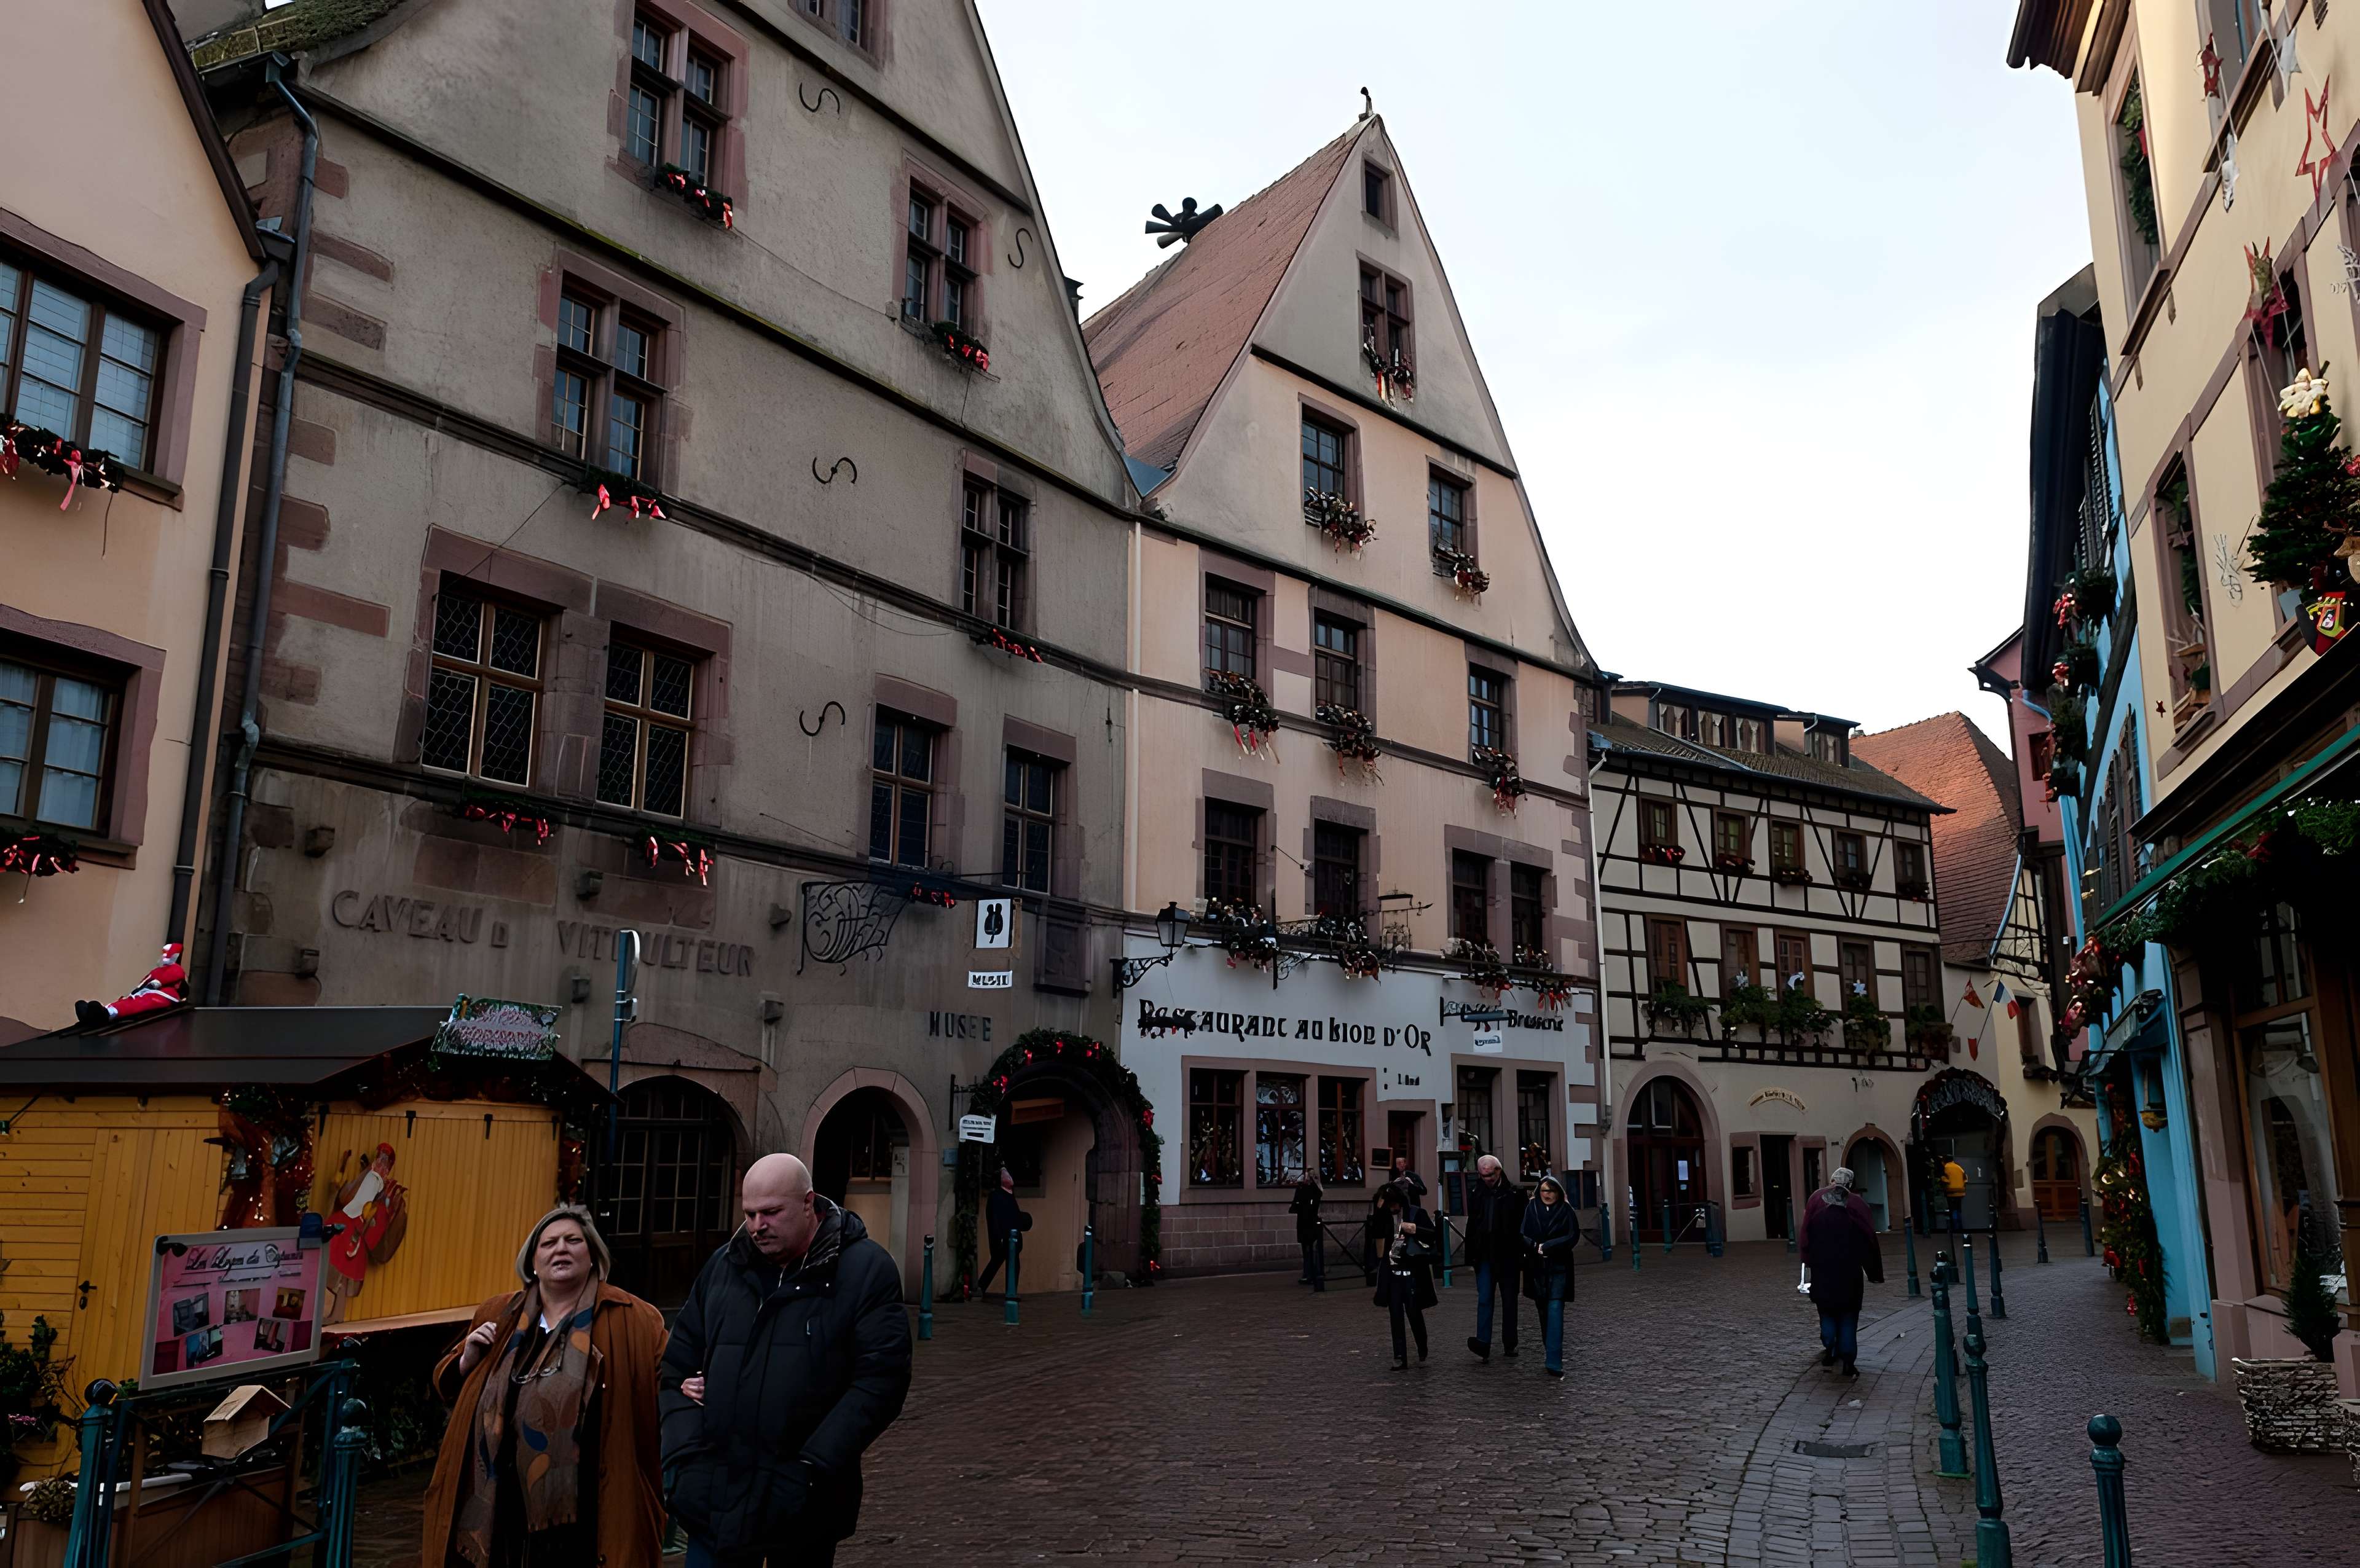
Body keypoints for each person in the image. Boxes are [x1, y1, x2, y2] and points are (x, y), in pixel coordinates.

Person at [661, 1153, 912, 1567]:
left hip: (803, 1500)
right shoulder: (724, 1266)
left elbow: (881, 1381)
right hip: (714, 1494)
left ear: (808, 1204)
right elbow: (677, 1367)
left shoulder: (864, 1270)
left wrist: (813, 1468)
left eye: (772, 1213)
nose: (758, 1226)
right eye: (750, 1214)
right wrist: (685, 1459)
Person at [419, 1205, 667, 1567]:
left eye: (573, 1241)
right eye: (549, 1243)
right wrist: (467, 1360)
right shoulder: (499, 1314)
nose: (560, 1249)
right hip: (501, 1508)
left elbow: (667, 1383)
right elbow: (449, 1386)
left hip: (588, 1510)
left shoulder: (633, 1319)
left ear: (593, 1255)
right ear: (533, 1261)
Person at [1800, 1167, 1884, 1376]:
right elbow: (1869, 1239)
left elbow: (1805, 1235)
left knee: (1827, 1311)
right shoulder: (1858, 1204)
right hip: (1849, 1270)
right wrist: (1873, 1271)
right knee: (1848, 1315)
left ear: (1831, 1181)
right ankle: (1848, 1360)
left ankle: (1830, 1348)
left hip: (1822, 1268)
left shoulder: (1815, 1199)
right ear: (1851, 1184)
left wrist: (1808, 1260)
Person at [1461, 1154, 1526, 1363]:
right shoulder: (1477, 1192)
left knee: (1509, 1302)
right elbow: (1472, 1225)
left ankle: (1510, 1344)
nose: (1486, 1179)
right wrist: (1471, 1256)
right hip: (1485, 1256)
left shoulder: (1514, 1194)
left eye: (1489, 1175)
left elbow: (1522, 1227)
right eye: (1482, 1175)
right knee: (1485, 1299)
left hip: (1508, 1257)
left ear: (1498, 1171)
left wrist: (1522, 1255)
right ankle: (1483, 1343)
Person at [1371, 1180, 1437, 1370]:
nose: (1392, 1209)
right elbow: (1375, 1233)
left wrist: (1413, 1230)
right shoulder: (1384, 1216)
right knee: (1395, 1315)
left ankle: (1422, 1345)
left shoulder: (1416, 1213)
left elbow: (1432, 1236)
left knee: (1413, 1312)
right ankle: (1399, 1356)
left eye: (1393, 1205)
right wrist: (1378, 1209)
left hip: (1412, 1272)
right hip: (1392, 1272)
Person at [1520, 1172, 1576, 1379]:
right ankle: (1550, 1350)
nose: (1547, 1194)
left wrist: (1550, 1247)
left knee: (1555, 1310)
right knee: (1543, 1311)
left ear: (1558, 1192)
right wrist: (1535, 1247)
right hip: (1536, 1268)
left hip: (1559, 1267)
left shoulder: (1566, 1210)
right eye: (1544, 1190)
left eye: (1551, 1190)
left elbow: (1572, 1236)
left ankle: (1554, 1359)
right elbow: (1523, 1233)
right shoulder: (1531, 1208)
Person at [975, 1166, 1030, 1299]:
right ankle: (982, 1287)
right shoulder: (996, 1196)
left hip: (1013, 1237)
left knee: (1012, 1264)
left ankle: (1010, 1291)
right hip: (1003, 1238)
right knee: (997, 1262)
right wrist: (997, 1237)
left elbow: (1014, 1216)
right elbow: (994, 1219)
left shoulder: (1010, 1194)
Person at [1289, 1171, 1325, 1291]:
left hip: (1309, 1223)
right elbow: (1297, 1205)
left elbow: (1314, 1199)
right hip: (1305, 1223)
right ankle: (1308, 1273)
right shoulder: (1305, 1189)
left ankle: (1312, 1274)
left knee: (1311, 1250)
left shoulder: (1313, 1191)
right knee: (1307, 1250)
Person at [1941, 1155, 1967, 1236]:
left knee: (1953, 1210)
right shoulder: (1959, 1167)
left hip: (1951, 1192)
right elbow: (1965, 1179)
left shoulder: (1946, 1167)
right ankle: (1960, 1227)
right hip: (1961, 1192)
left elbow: (1944, 1179)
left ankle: (1955, 1228)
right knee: (1958, 1210)